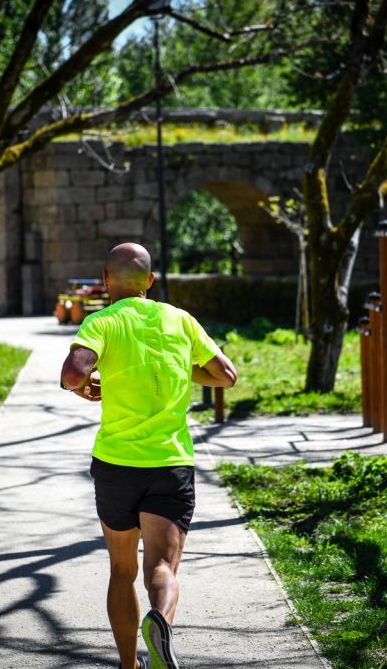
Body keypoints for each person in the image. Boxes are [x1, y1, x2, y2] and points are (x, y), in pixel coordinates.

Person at [61, 242, 238, 669]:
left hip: (117, 465)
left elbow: (73, 373)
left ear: (106, 281)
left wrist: (81, 385)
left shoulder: (102, 322)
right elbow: (226, 376)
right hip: (170, 464)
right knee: (161, 568)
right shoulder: (179, 319)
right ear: (151, 281)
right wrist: (182, 371)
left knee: (122, 569)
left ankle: (129, 665)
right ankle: (160, 622)